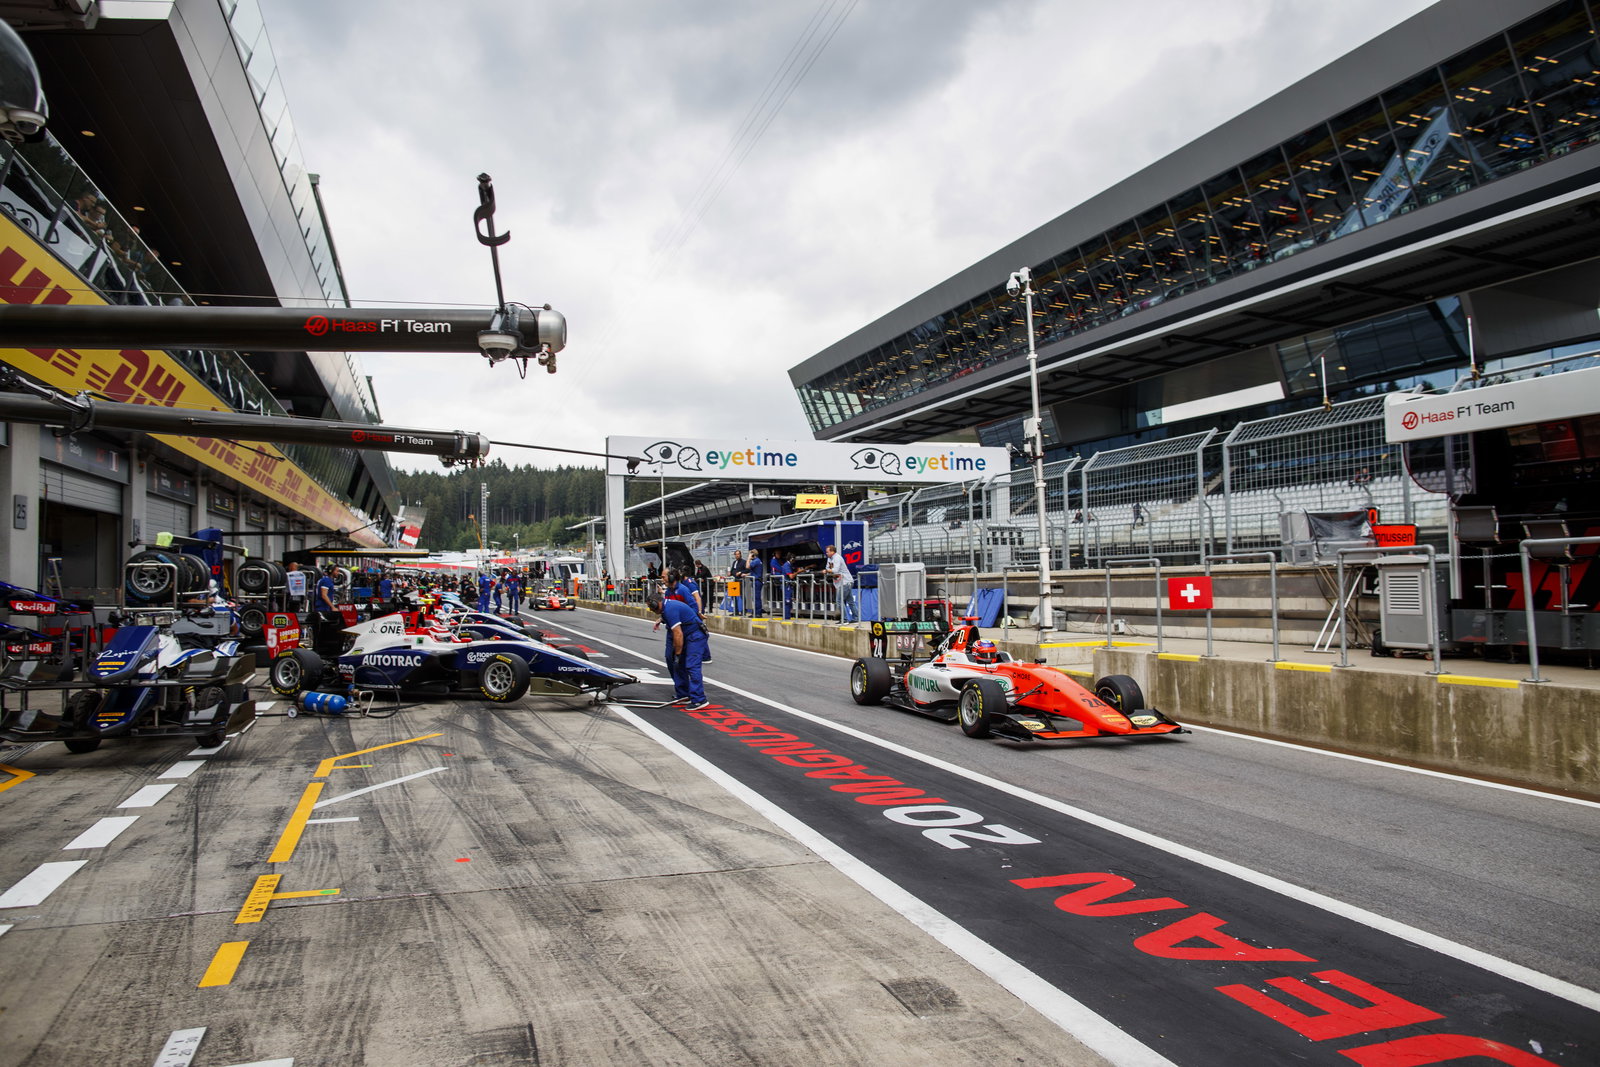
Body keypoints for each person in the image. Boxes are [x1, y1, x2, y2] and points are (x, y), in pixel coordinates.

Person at [649, 593, 708, 709]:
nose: (650, 609)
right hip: (687, 634)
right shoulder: (666, 609)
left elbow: (678, 634)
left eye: (651, 606)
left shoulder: (670, 609)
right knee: (674, 662)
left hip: (695, 635)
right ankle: (683, 694)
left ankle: (699, 699)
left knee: (691, 665)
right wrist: (660, 619)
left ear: (657, 603)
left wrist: (678, 654)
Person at [676, 566, 711, 664]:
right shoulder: (683, 583)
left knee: (699, 632)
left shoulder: (690, 584)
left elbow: (698, 598)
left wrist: (699, 612)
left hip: (695, 611)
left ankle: (706, 656)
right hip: (690, 610)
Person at [824, 544, 857, 624]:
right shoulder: (830, 559)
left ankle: (845, 620)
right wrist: (828, 570)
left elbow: (835, 570)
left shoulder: (837, 558)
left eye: (827, 552)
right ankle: (856, 618)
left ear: (832, 551)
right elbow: (828, 568)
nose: (826, 553)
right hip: (843, 582)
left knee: (839, 600)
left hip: (845, 582)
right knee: (850, 601)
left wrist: (827, 571)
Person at [314, 563, 341, 655]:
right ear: (331, 571)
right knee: (322, 631)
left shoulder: (326, 580)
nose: (338, 573)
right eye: (337, 571)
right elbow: (324, 595)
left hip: (324, 608)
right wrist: (332, 607)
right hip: (323, 608)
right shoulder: (326, 581)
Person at [770, 550, 792, 620]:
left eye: (780, 553)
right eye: (778, 553)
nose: (779, 554)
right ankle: (786, 616)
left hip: (783, 580)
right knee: (786, 600)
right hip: (780, 579)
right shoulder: (774, 561)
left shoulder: (779, 561)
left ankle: (787, 616)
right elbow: (779, 569)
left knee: (787, 600)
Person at [728, 550, 747, 615]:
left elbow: (747, 569)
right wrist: (730, 573)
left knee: (742, 596)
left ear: (740, 555)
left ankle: (743, 611)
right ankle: (735, 611)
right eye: (736, 554)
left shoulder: (744, 562)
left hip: (740, 581)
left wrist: (740, 572)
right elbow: (732, 570)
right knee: (734, 596)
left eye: (738, 554)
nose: (737, 555)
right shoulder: (734, 562)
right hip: (734, 581)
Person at [746, 550, 764, 616]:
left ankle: (758, 613)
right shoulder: (757, 561)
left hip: (757, 581)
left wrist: (748, 558)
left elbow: (747, 566)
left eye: (750, 554)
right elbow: (754, 572)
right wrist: (746, 575)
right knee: (755, 598)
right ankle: (756, 612)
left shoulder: (756, 561)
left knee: (757, 598)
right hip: (756, 580)